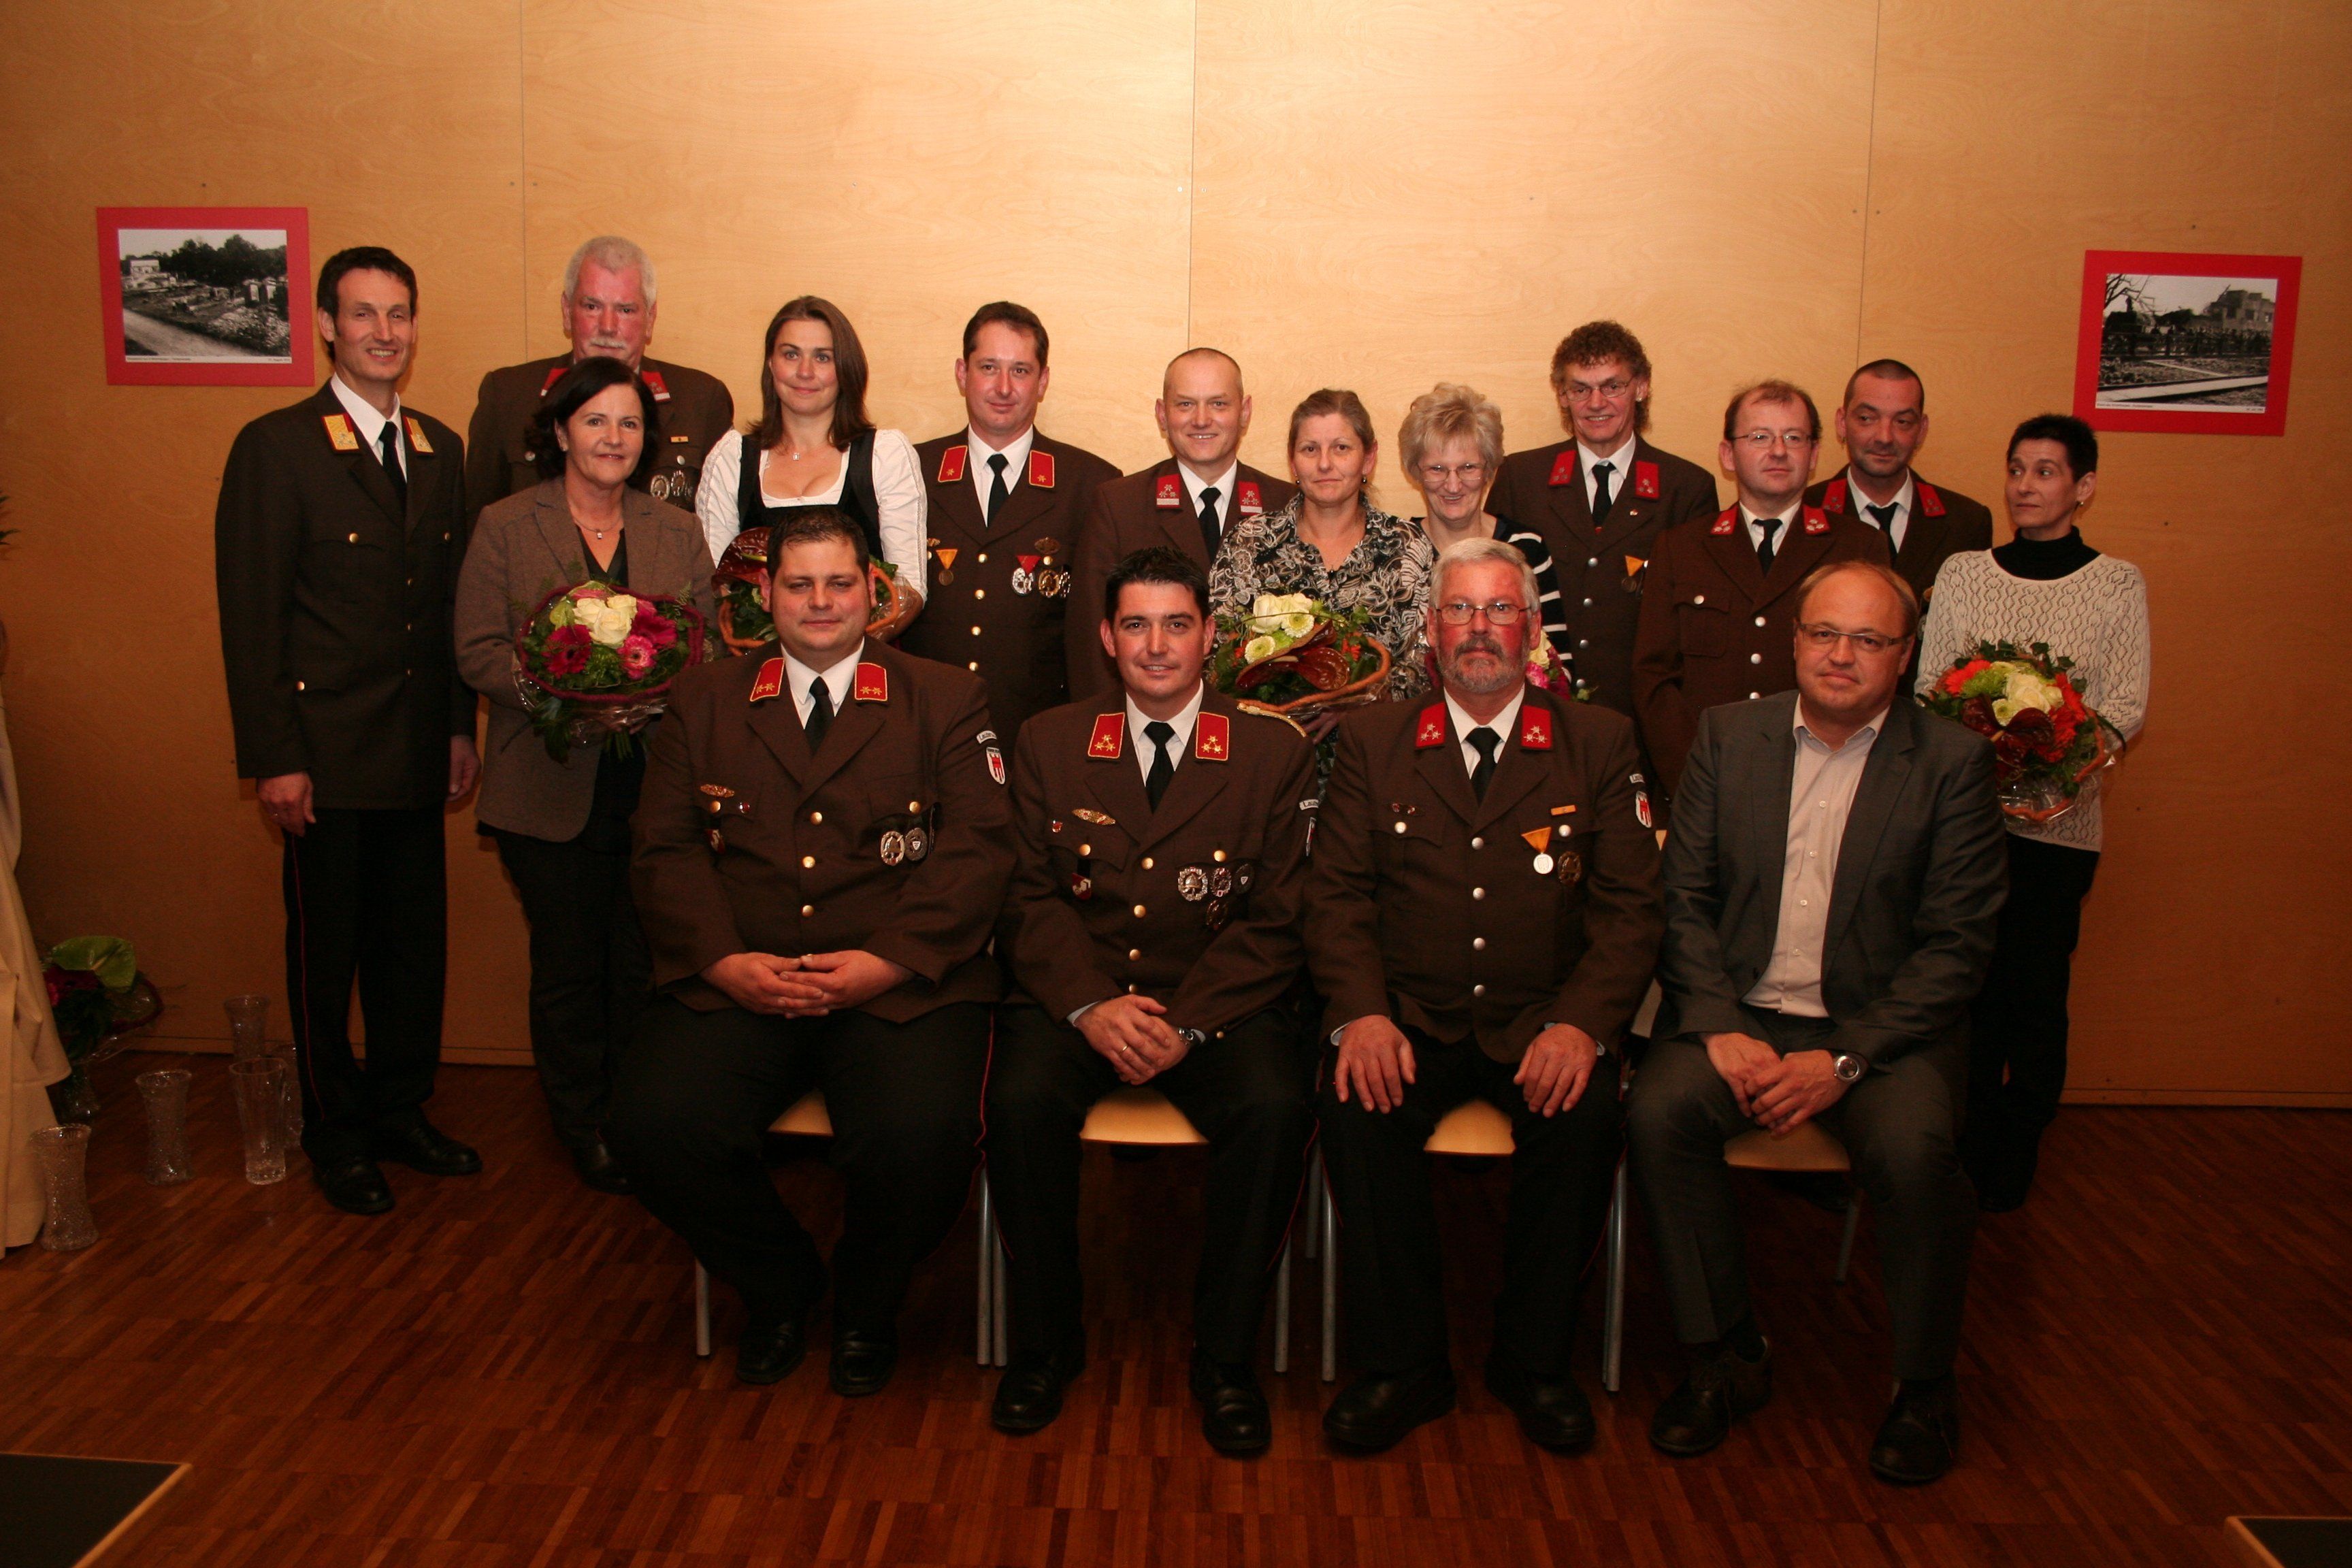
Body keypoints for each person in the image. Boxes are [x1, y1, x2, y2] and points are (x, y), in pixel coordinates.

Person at [608, 508, 1012, 1394]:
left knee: (922, 1135)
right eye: (799, 585)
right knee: (652, 1124)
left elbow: (979, 850)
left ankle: (869, 1303)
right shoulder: (705, 699)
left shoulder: (944, 696)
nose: (821, 602)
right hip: (747, 973)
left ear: (874, 591)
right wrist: (722, 962)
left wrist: (888, 960)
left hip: (894, 979)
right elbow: (664, 849)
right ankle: (781, 1286)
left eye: (839, 583)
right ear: (766, 594)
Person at [1629, 559, 2007, 1486]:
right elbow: (1684, 899)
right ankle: (1726, 1354)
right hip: (1740, 1017)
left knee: (1917, 1156)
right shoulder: (1730, 735)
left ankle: (1924, 1389)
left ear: (1904, 656)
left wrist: (1843, 1059)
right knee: (1657, 1115)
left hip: (1881, 1035)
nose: (1842, 655)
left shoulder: (1952, 763)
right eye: (1825, 634)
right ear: (1796, 642)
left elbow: (1957, 948)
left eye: (1869, 639)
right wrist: (1715, 1022)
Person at [1308, 537, 1663, 1455]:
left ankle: (1532, 1361)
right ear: (1430, 629)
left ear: (1532, 630)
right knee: (1356, 1106)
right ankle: (1404, 1365)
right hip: (1409, 1018)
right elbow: (1336, 896)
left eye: (1500, 610)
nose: (1479, 629)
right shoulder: (1375, 739)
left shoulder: (1597, 740)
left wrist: (1582, 1026)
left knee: (1584, 1120)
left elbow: (1631, 910)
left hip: (1541, 1019)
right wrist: (1362, 1014)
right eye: (1460, 610)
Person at [987, 546, 1318, 1455]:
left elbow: (1280, 916)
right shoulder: (1050, 740)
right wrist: (1090, 1005)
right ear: (1106, 637)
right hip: (1081, 994)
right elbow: (1025, 897)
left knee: (1275, 1109)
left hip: (1213, 1004)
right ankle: (1045, 1347)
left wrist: (1190, 1022)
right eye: (1136, 625)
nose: (1157, 646)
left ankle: (1226, 1358)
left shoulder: (1270, 750)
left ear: (1210, 636)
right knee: (1017, 1104)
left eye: (1177, 624)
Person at [214, 245, 481, 1216]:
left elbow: (448, 608)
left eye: (399, 314)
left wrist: (457, 729)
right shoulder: (277, 446)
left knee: (413, 950)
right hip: (322, 758)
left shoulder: (438, 448)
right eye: (363, 314)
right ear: (327, 325)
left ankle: (402, 1109)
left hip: (414, 753)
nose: (383, 332)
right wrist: (274, 758)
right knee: (327, 957)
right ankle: (335, 1131)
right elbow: (252, 616)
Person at [455, 357, 716, 1196]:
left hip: (653, 787)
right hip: (546, 784)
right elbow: (477, 648)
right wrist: (561, 689)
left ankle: (639, 1118)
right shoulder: (506, 523)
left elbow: (705, 643)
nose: (614, 437)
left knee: (642, 963)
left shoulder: (675, 530)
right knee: (570, 965)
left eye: (630, 423)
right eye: (596, 420)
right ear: (562, 431)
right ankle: (581, 1123)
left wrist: (654, 695)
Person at [1916, 414, 2149, 1211]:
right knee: (1964, 988)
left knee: (2034, 993)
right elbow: (1932, 690)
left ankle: (2018, 1142)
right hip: (1966, 828)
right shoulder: (1964, 572)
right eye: (2017, 468)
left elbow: (2123, 708)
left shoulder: (2117, 584)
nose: (2025, 485)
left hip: (2061, 832)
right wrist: (1987, 767)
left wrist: (2044, 773)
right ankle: (1962, 1141)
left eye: (2046, 471)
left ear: (2083, 487)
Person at [1632, 380, 1890, 796]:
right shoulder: (1681, 548)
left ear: (1814, 454)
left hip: (1824, 780)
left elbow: (1876, 674)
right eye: (1759, 437)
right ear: (1728, 454)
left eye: (1794, 437)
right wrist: (1695, 778)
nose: (1778, 451)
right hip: (1704, 777)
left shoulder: (1858, 548)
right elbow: (1654, 678)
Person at [901, 303, 1117, 736]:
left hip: (1040, 732)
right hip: (925, 726)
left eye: (1020, 370)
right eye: (988, 368)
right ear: (962, 374)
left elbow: (1097, 630)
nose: (1003, 387)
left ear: (1043, 381)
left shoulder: (1092, 484)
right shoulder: (911, 471)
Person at [1484, 321, 1719, 715]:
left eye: (1612, 386)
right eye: (1580, 389)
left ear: (1641, 387)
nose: (1596, 403)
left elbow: (1695, 629)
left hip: (1640, 715)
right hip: (1537, 711)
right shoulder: (1522, 478)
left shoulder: (1686, 488)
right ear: (1562, 395)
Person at [1066, 348, 1296, 699]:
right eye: (1185, 404)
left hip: (1260, 717)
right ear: (1162, 415)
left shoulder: (1284, 504)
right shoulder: (1120, 505)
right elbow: (1090, 639)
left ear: (1245, 412)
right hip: (1147, 715)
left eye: (1218, 404)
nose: (1201, 420)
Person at [693, 296, 926, 634]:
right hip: (759, 659)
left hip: (865, 658)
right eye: (791, 355)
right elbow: (715, 588)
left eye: (822, 357)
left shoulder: (884, 455)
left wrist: (837, 652)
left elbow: (908, 590)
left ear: (845, 368)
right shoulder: (732, 458)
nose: (805, 372)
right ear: (771, 364)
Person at [464, 235, 734, 525]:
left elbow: (719, 530)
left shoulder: (702, 400)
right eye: (592, 307)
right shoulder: (507, 396)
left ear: (650, 318)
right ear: (567, 311)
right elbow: (478, 527)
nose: (607, 327)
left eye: (625, 310)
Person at [1209, 388, 1434, 725]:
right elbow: (1217, 652)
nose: (1325, 463)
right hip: (1267, 738)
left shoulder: (1406, 546)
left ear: (1368, 458)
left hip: (1374, 740)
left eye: (1341, 448)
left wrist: (1361, 701)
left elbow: (1425, 659)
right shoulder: (1250, 542)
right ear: (1293, 462)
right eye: (1310, 449)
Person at [1394, 382, 1570, 659]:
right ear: (1416, 472)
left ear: (1489, 469)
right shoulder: (1395, 550)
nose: (1453, 485)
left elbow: (1558, 663)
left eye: (1468, 468)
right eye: (1437, 469)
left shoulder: (1527, 547)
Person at [1804, 359, 1994, 608]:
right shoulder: (1804, 512)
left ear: (1922, 430)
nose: (1884, 437)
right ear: (1842, 423)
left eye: (1902, 422)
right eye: (1867, 418)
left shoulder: (1967, 523)